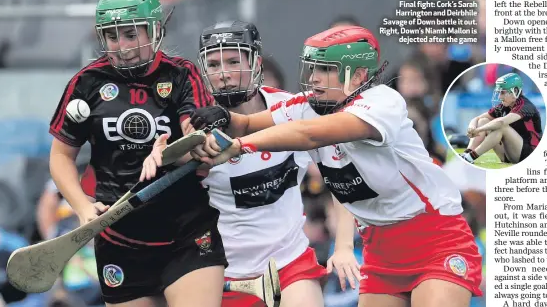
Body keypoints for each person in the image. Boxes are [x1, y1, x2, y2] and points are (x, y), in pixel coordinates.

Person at [187, 25, 482, 307]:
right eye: (312, 68)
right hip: (379, 249)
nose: (314, 78)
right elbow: (248, 123)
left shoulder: (382, 102)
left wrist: (239, 146)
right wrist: (223, 118)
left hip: (434, 238)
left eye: (326, 70)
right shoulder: (308, 105)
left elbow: (309, 134)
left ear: (359, 76)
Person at [48, 0, 227, 306]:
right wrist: (82, 207)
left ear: (155, 29)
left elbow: (194, 130)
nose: (123, 46)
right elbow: (61, 157)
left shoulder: (181, 74)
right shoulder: (86, 83)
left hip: (186, 233)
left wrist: (173, 148)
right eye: (112, 36)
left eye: (131, 34)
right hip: (120, 239)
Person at [142, 20, 326, 307]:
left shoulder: (294, 110)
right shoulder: (187, 124)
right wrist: (166, 156)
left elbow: (339, 170)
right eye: (214, 65)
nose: (224, 74)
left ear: (256, 63)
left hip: (290, 264)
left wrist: (341, 246)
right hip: (219, 273)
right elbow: (173, 167)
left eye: (232, 61)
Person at [460, 72, 542, 164]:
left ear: (515, 91)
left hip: (528, 153)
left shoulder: (526, 106)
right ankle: (467, 153)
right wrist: (472, 127)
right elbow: (477, 119)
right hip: (510, 153)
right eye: (499, 92)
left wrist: (478, 129)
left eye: (502, 92)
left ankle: (471, 157)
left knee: (501, 127)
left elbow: (501, 123)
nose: (499, 97)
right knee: (483, 121)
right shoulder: (505, 105)